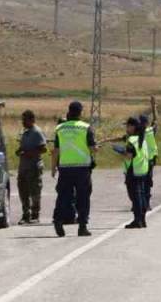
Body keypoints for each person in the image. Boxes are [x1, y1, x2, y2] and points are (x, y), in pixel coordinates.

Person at [51, 101, 97, 238]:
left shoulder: (60, 128)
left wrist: (53, 168)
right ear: (80, 112)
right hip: (82, 168)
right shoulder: (86, 128)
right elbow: (92, 148)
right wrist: (96, 149)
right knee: (83, 197)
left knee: (63, 196)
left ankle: (58, 220)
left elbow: (56, 151)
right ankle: (82, 226)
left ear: (69, 111)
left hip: (65, 167)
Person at [16, 110, 46, 224]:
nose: (23, 122)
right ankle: (25, 215)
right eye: (22, 119)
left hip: (33, 166)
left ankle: (35, 215)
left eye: (25, 119)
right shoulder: (25, 132)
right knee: (23, 191)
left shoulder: (37, 132)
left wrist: (29, 153)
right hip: (23, 167)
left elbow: (43, 149)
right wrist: (20, 151)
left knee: (34, 191)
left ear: (32, 120)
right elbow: (23, 147)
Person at [119, 117, 150, 229]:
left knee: (135, 197)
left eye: (127, 126)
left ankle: (137, 220)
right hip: (142, 171)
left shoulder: (132, 141)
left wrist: (120, 151)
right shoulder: (142, 139)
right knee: (141, 196)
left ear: (133, 127)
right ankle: (142, 219)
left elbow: (129, 156)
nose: (126, 128)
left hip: (133, 171)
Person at [138, 114, 158, 210]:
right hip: (148, 160)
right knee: (146, 182)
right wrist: (154, 107)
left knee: (143, 182)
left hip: (143, 160)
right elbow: (155, 121)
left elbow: (155, 121)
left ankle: (144, 203)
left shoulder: (139, 132)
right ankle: (144, 203)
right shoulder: (150, 130)